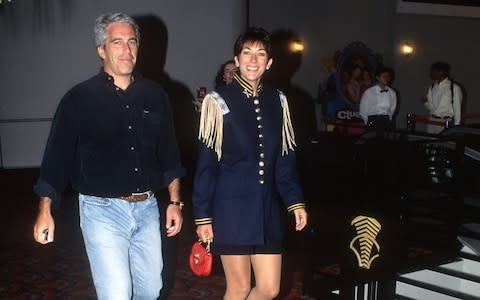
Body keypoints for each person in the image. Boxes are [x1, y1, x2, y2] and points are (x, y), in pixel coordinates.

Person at [32, 13, 185, 299]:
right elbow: (57, 158)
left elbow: (169, 154)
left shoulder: (155, 95)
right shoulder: (78, 99)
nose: (126, 50)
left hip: (147, 208)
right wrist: (45, 210)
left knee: (151, 291)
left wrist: (175, 201)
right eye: (117, 42)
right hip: (101, 211)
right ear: (101, 50)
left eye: (131, 42)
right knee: (116, 293)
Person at [192, 27, 308, 300]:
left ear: (269, 62)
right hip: (231, 211)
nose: (253, 60)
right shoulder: (217, 101)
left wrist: (295, 201)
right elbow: (207, 166)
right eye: (247, 53)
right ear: (237, 59)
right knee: (240, 288)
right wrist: (203, 216)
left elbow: (284, 160)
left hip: (266, 210)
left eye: (260, 54)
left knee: (269, 289)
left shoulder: (278, 101)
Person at [422, 61, 463, 134]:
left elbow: (457, 109)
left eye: (432, 71)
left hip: (446, 122)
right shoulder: (432, 87)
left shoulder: (454, 88)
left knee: (444, 144)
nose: (430, 74)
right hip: (432, 121)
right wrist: (426, 103)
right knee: (429, 143)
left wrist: (457, 128)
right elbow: (431, 107)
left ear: (440, 72)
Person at [359, 66, 397, 131]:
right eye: (384, 76)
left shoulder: (392, 93)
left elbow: (392, 109)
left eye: (388, 76)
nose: (386, 78)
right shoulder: (369, 92)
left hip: (386, 121)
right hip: (372, 121)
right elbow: (363, 110)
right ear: (377, 77)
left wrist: (388, 119)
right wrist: (368, 123)